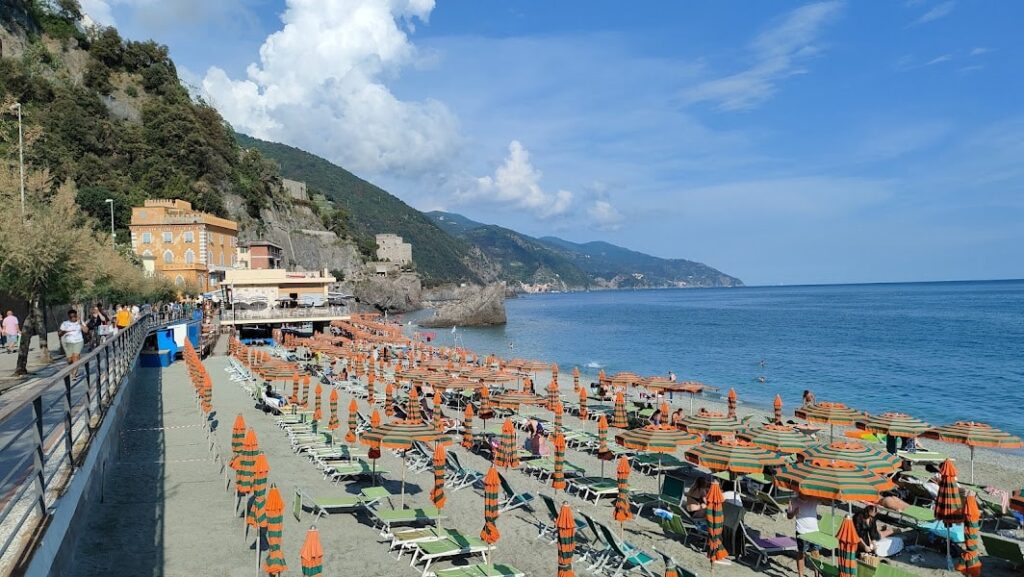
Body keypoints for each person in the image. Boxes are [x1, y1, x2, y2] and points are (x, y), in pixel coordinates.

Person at [789, 493, 821, 577]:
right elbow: (789, 516)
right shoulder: (793, 500)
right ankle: (801, 575)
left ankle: (817, 575)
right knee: (801, 554)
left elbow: (825, 501)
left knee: (816, 554)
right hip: (801, 532)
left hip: (814, 531)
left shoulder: (814, 498)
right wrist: (793, 513)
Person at [59, 309, 88, 376]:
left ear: (76, 316)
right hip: (68, 342)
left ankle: (74, 373)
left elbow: (86, 331)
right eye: (71, 317)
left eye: (74, 316)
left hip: (78, 341)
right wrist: (64, 332)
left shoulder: (79, 322)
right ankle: (73, 368)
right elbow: (59, 334)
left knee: (75, 356)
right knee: (69, 360)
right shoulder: (65, 323)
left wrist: (80, 323)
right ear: (68, 317)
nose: (73, 318)